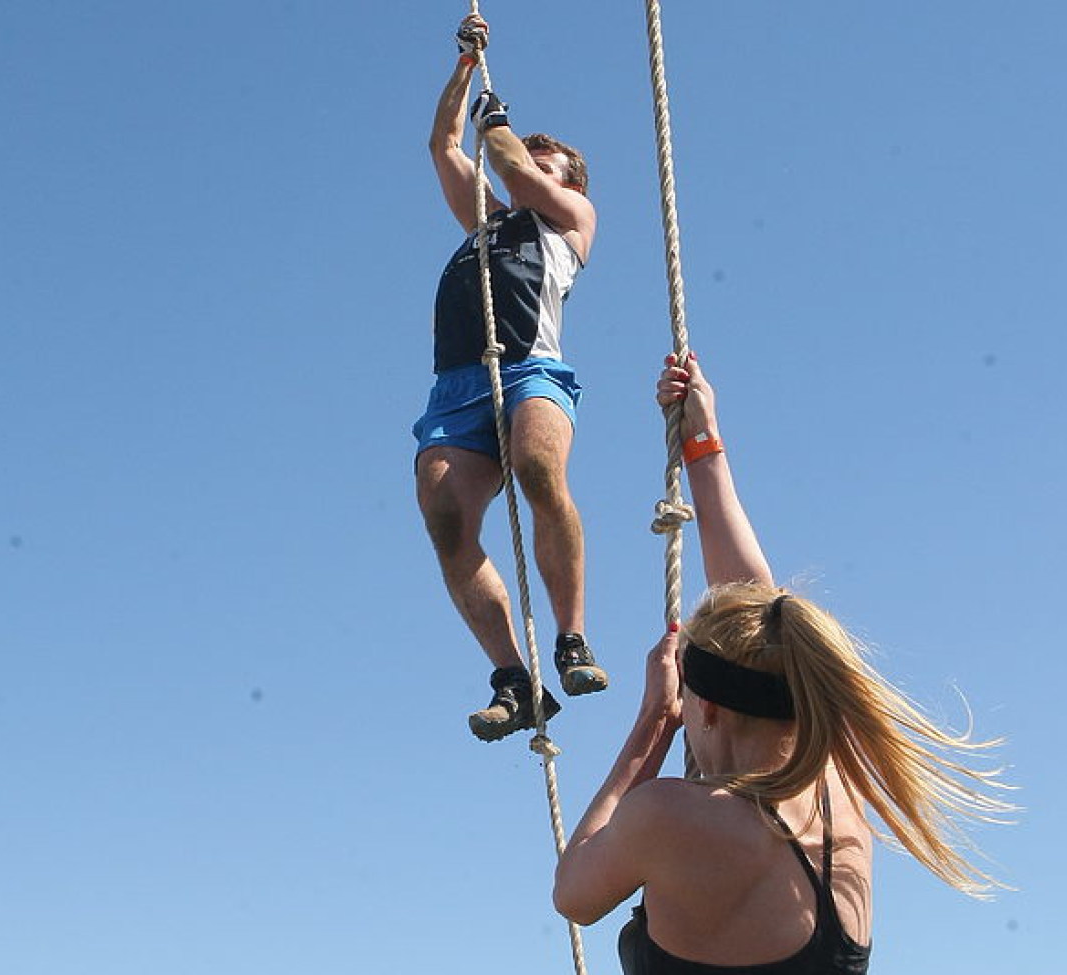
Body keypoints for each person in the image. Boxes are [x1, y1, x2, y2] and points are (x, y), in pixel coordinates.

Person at [552, 352, 1012, 972]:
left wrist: (653, 725)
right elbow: (762, 622)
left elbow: (574, 894)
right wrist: (703, 448)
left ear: (705, 708)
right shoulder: (836, 788)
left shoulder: (670, 818)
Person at [415, 14, 607, 743]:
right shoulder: (486, 220)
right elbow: (443, 146)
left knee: (535, 466)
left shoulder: (569, 220)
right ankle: (513, 678)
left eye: (545, 158)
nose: (530, 160)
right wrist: (466, 69)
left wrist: (506, 136)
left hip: (531, 370)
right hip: (456, 389)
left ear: (569, 181)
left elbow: (513, 168)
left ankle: (572, 637)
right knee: (444, 518)